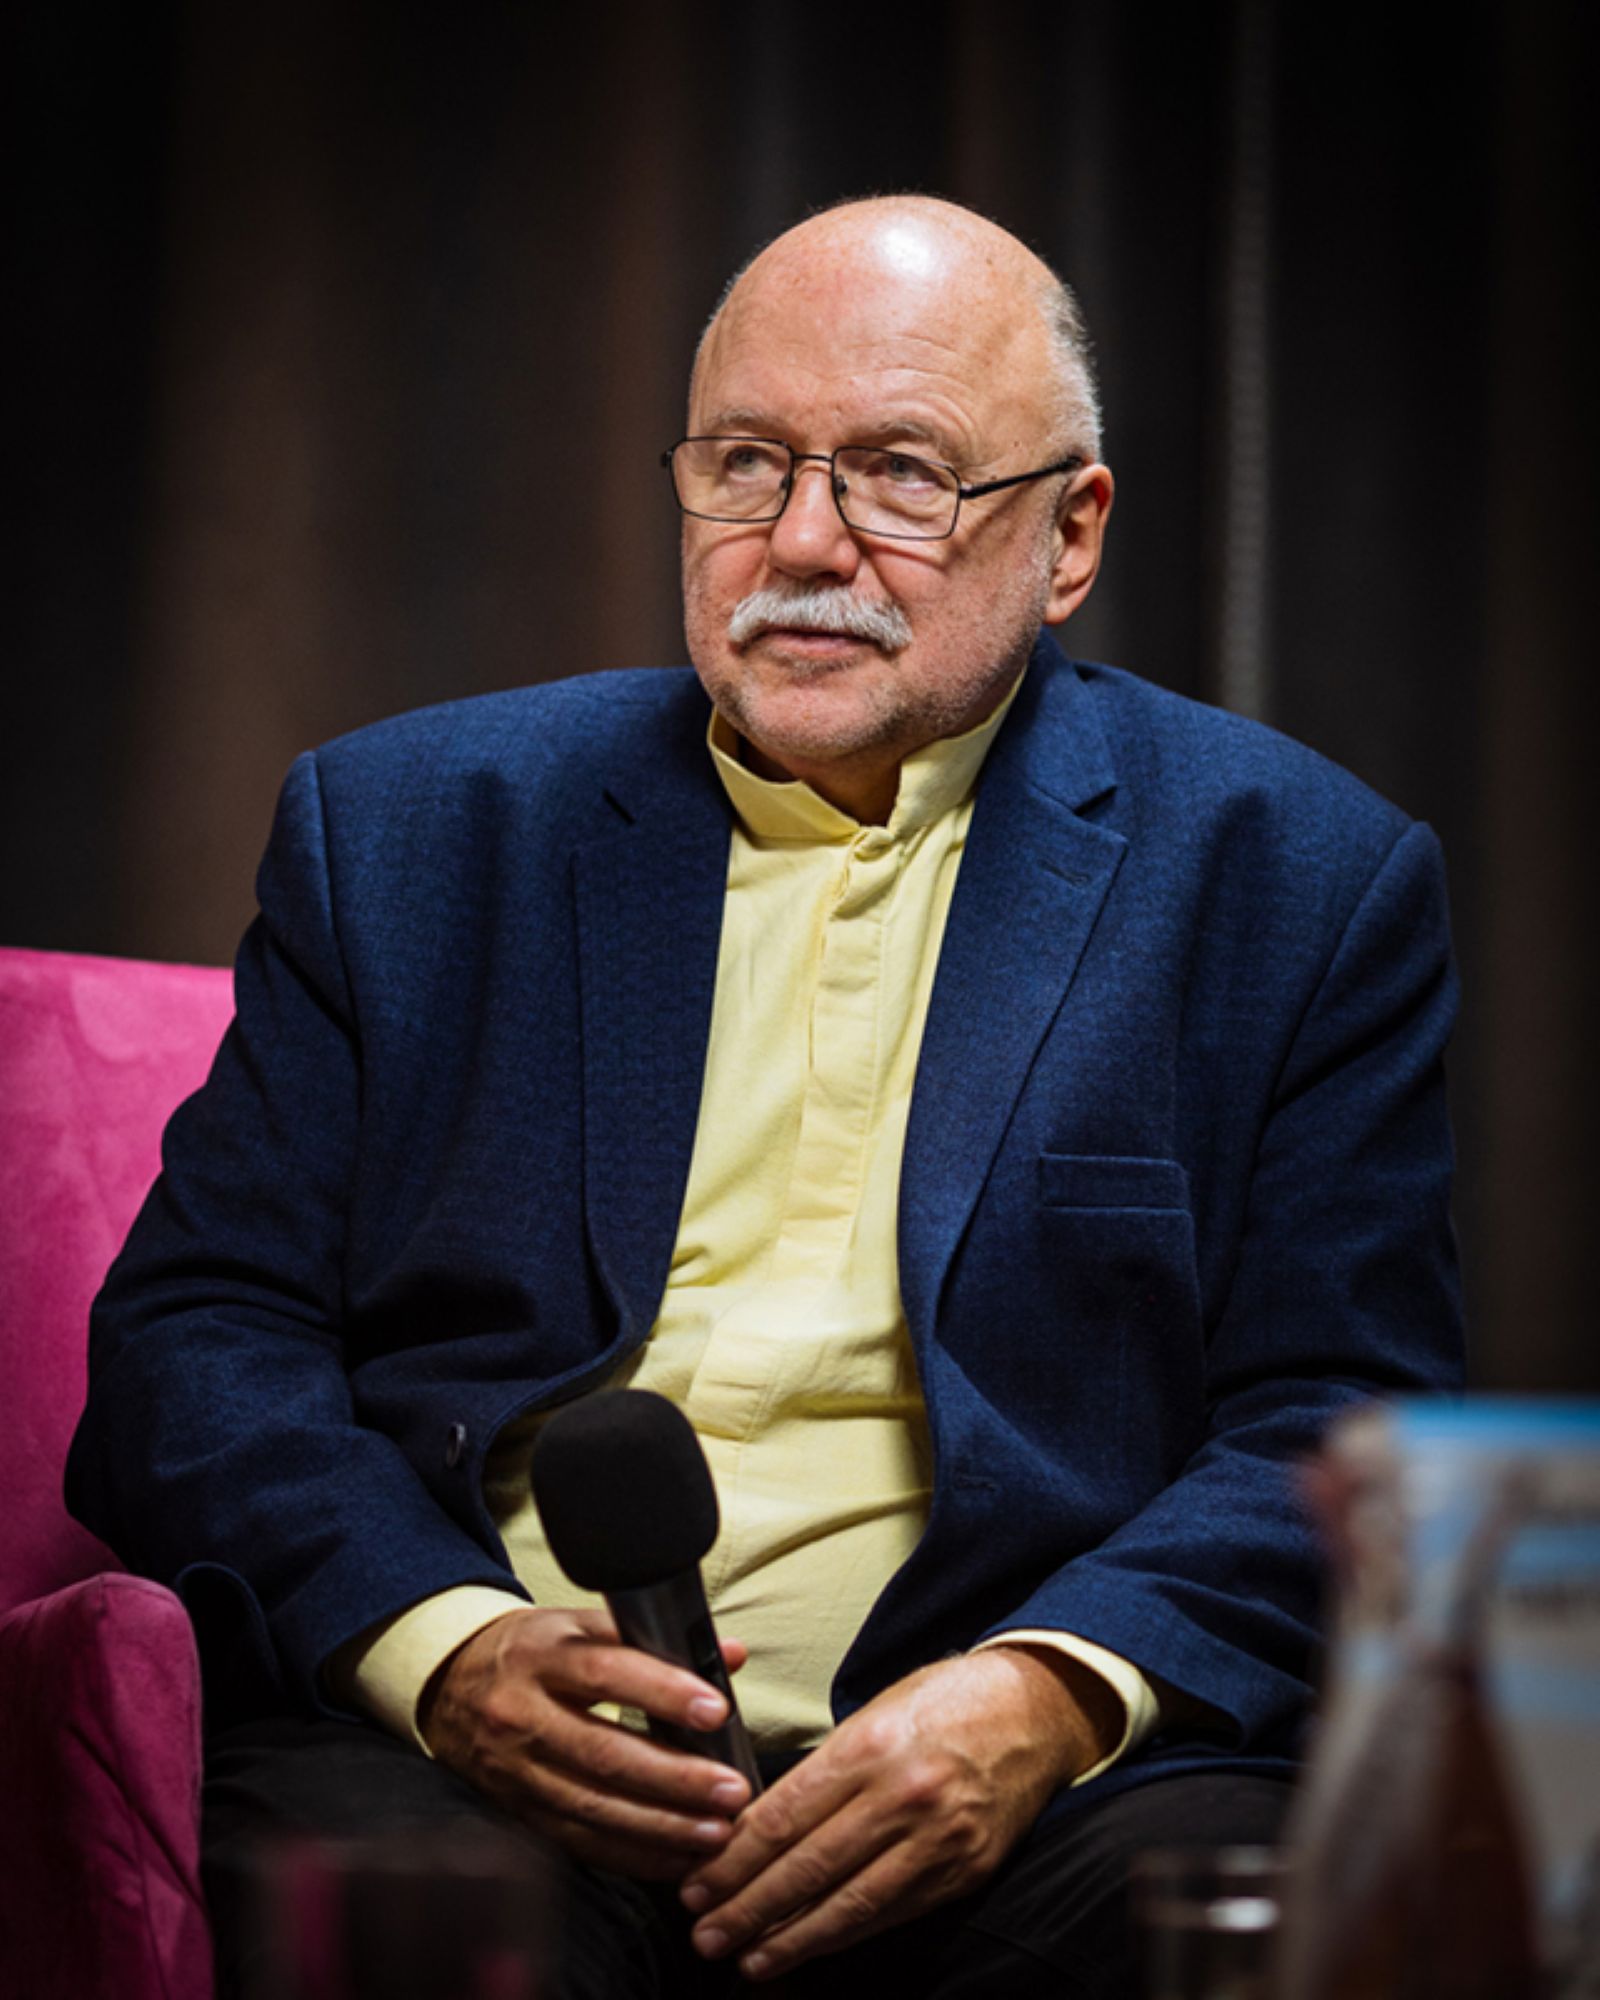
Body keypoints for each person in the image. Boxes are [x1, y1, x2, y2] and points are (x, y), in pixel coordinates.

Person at [66, 195, 1462, 1998]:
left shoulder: (1297, 878)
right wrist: (445, 1648)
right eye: (744, 463)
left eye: (901, 474)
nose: (801, 541)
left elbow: (1342, 1423)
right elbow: (197, 1341)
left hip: (1034, 1790)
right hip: (484, 1770)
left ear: (1069, 535)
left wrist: (1046, 1698)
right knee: (377, 1907)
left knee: (1228, 1911)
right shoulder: (410, 829)